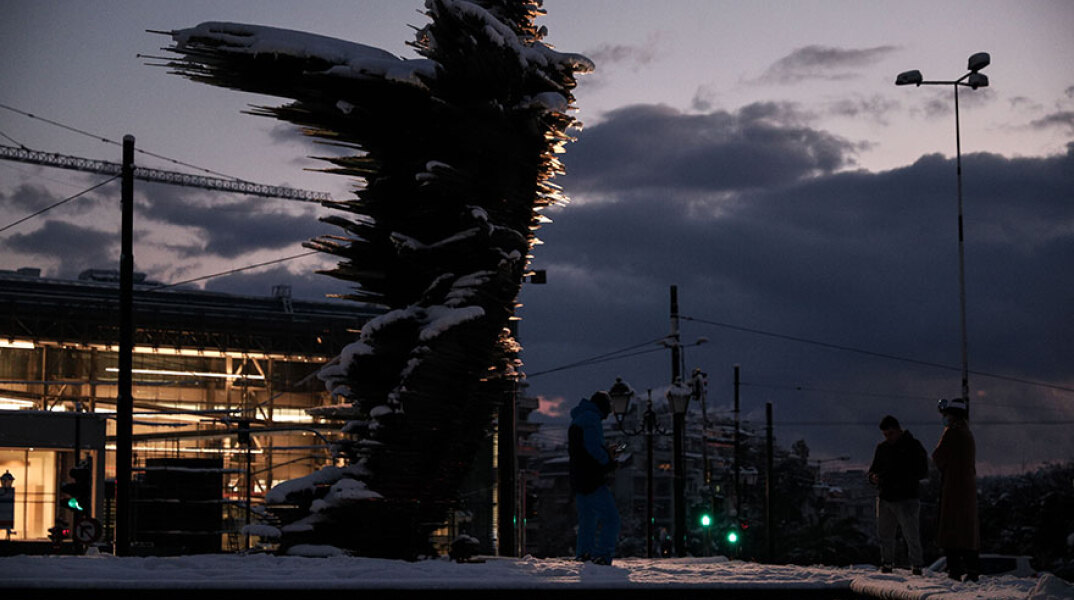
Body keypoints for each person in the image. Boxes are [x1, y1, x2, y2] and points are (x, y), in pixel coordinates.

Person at [867, 414, 928, 574]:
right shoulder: (883, 448)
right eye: (885, 435)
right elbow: (873, 469)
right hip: (886, 496)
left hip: (906, 497)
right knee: (885, 533)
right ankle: (887, 563)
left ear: (898, 430)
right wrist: (873, 477)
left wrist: (901, 476)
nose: (888, 438)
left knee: (911, 534)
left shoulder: (913, 446)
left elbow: (923, 471)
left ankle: (916, 565)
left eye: (890, 434)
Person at [568, 391, 621, 565]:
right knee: (611, 518)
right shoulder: (591, 419)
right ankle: (602, 555)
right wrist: (608, 460)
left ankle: (584, 554)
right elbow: (593, 449)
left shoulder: (579, 419)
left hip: (579, 479)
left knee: (587, 520)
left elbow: (584, 449)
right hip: (592, 479)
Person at [932, 397, 980, 582]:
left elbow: (938, 456)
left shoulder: (952, 433)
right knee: (967, 533)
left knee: (951, 530)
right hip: (966, 487)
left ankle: (955, 570)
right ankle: (972, 569)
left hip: (953, 487)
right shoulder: (967, 433)